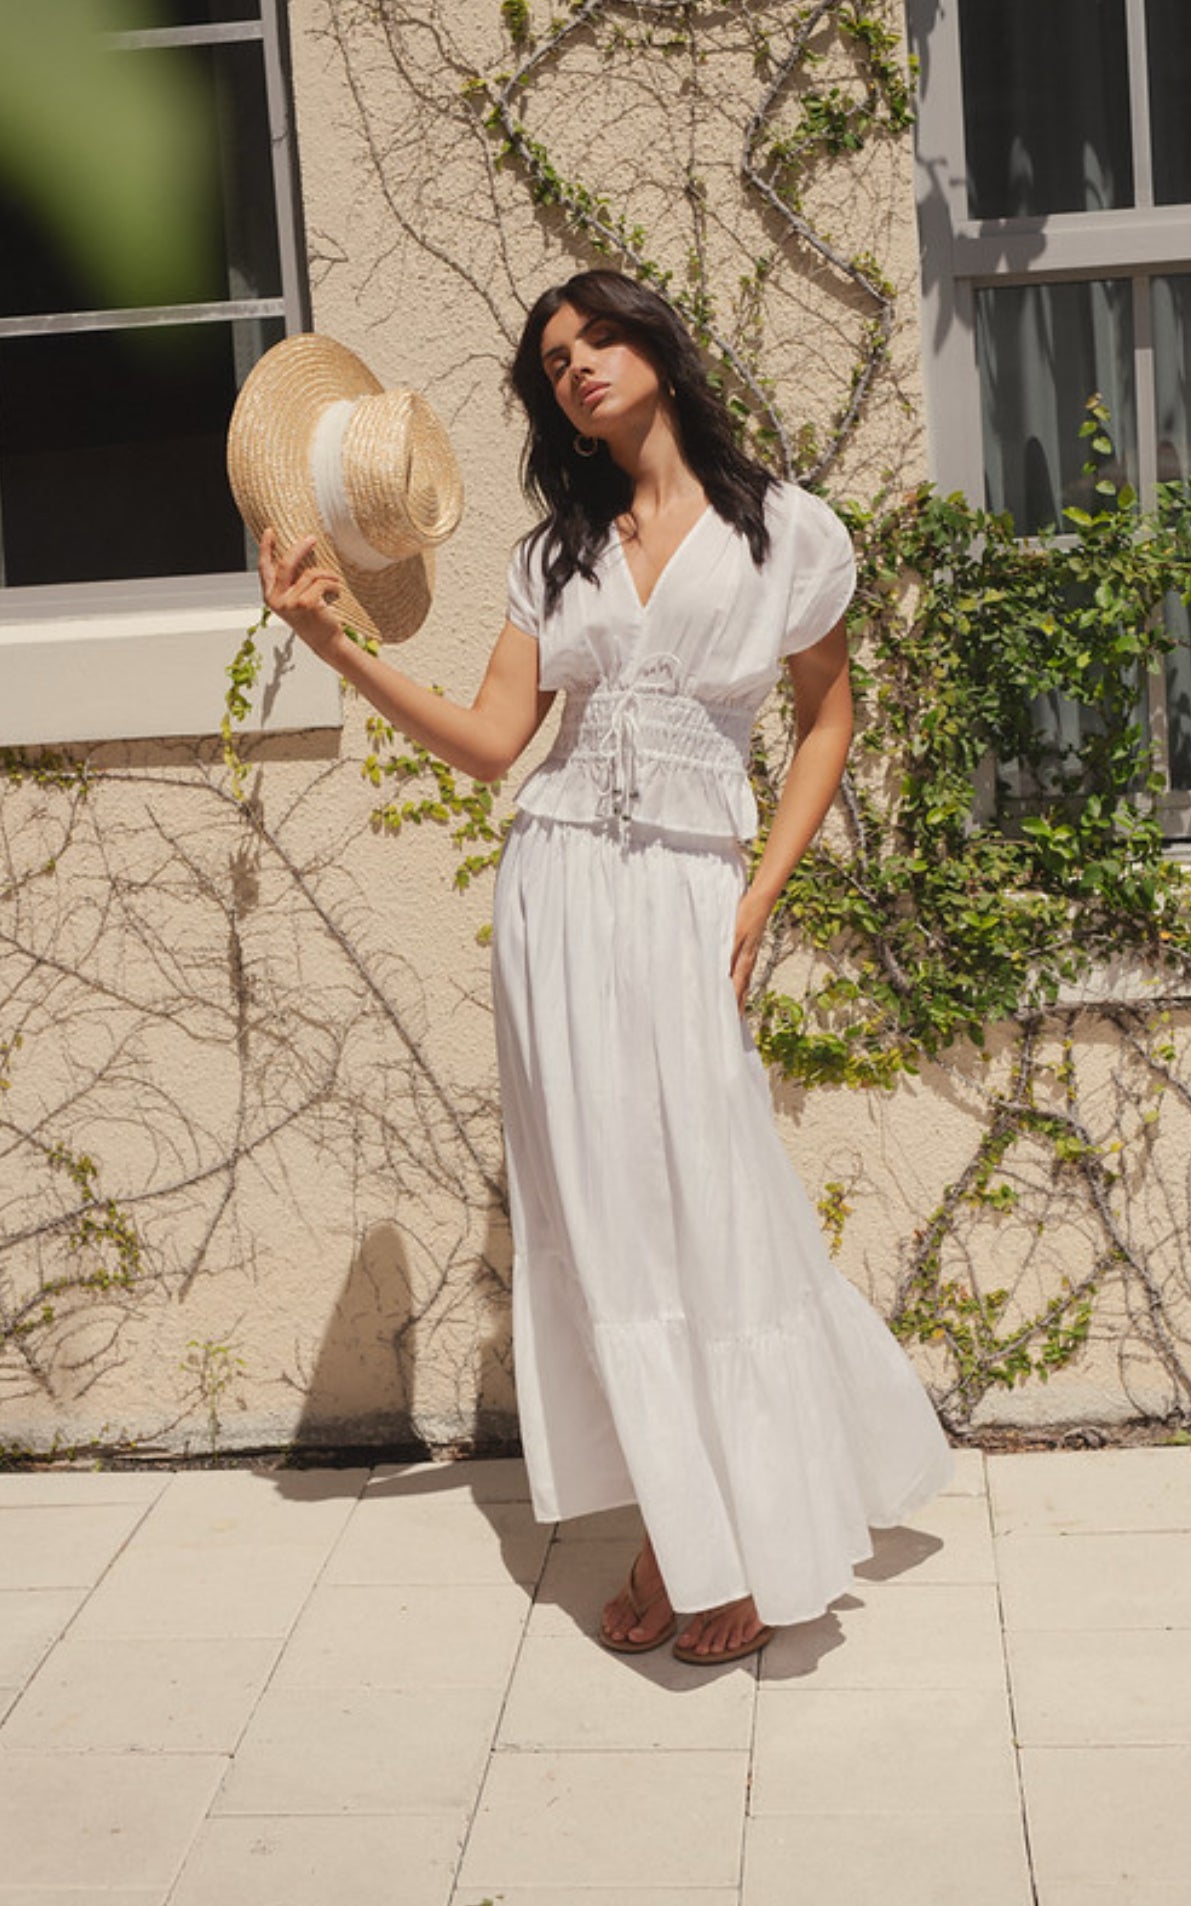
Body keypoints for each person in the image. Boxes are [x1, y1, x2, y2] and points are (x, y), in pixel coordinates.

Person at [260, 268, 953, 1667]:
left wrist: (759, 893)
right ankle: (673, 1528)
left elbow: (826, 719)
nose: (577, 364)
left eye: (599, 337)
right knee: (606, 1220)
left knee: (708, 1195)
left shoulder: (786, 532)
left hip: (690, 891)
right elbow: (486, 742)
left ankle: (738, 1530)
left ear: (655, 347)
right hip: (557, 892)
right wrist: (328, 638)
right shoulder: (552, 553)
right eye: (553, 358)